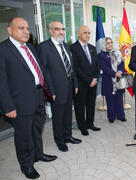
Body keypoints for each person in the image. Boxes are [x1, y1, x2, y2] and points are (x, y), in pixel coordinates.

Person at [0, 17, 56, 179]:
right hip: (19, 102)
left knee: (37, 130)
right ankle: (27, 165)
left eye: (27, 29)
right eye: (21, 28)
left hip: (38, 97)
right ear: (10, 30)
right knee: (23, 136)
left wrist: (47, 92)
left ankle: (38, 154)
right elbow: (1, 81)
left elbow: (40, 71)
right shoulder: (3, 50)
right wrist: (7, 106)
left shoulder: (30, 47)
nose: (26, 31)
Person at [37, 21, 81, 152]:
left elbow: (72, 67)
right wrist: (51, 90)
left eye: (63, 29)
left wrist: (76, 84)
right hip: (56, 88)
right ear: (50, 31)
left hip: (70, 85)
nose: (61, 32)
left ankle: (68, 136)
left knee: (68, 113)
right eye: (57, 29)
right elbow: (44, 71)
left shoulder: (66, 46)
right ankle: (60, 140)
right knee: (58, 116)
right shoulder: (44, 47)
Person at [70, 25, 101, 136]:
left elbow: (97, 64)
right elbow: (76, 68)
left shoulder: (92, 48)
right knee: (80, 106)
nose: (87, 35)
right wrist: (89, 80)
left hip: (93, 82)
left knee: (91, 104)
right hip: (81, 83)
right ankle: (82, 126)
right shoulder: (73, 48)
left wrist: (95, 78)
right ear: (79, 34)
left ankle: (90, 123)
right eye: (85, 33)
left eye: (89, 33)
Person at [98, 37, 127, 123]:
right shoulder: (101, 55)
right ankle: (111, 116)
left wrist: (120, 71)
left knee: (119, 98)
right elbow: (104, 67)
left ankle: (121, 115)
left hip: (118, 79)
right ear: (104, 44)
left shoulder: (117, 52)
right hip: (108, 80)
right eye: (108, 43)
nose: (110, 44)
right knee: (109, 98)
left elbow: (122, 63)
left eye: (111, 42)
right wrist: (114, 73)